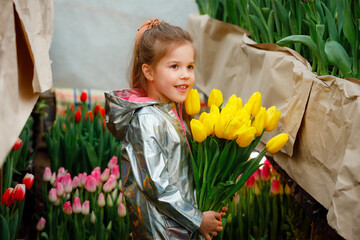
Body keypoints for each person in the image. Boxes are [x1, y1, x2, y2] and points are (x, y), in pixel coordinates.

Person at [105, 18, 225, 240]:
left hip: (181, 226)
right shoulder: (146, 121)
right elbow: (156, 185)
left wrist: (206, 205)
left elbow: (182, 174)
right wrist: (197, 219)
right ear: (149, 73)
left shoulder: (172, 112)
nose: (186, 75)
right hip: (163, 232)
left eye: (190, 66)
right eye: (174, 66)